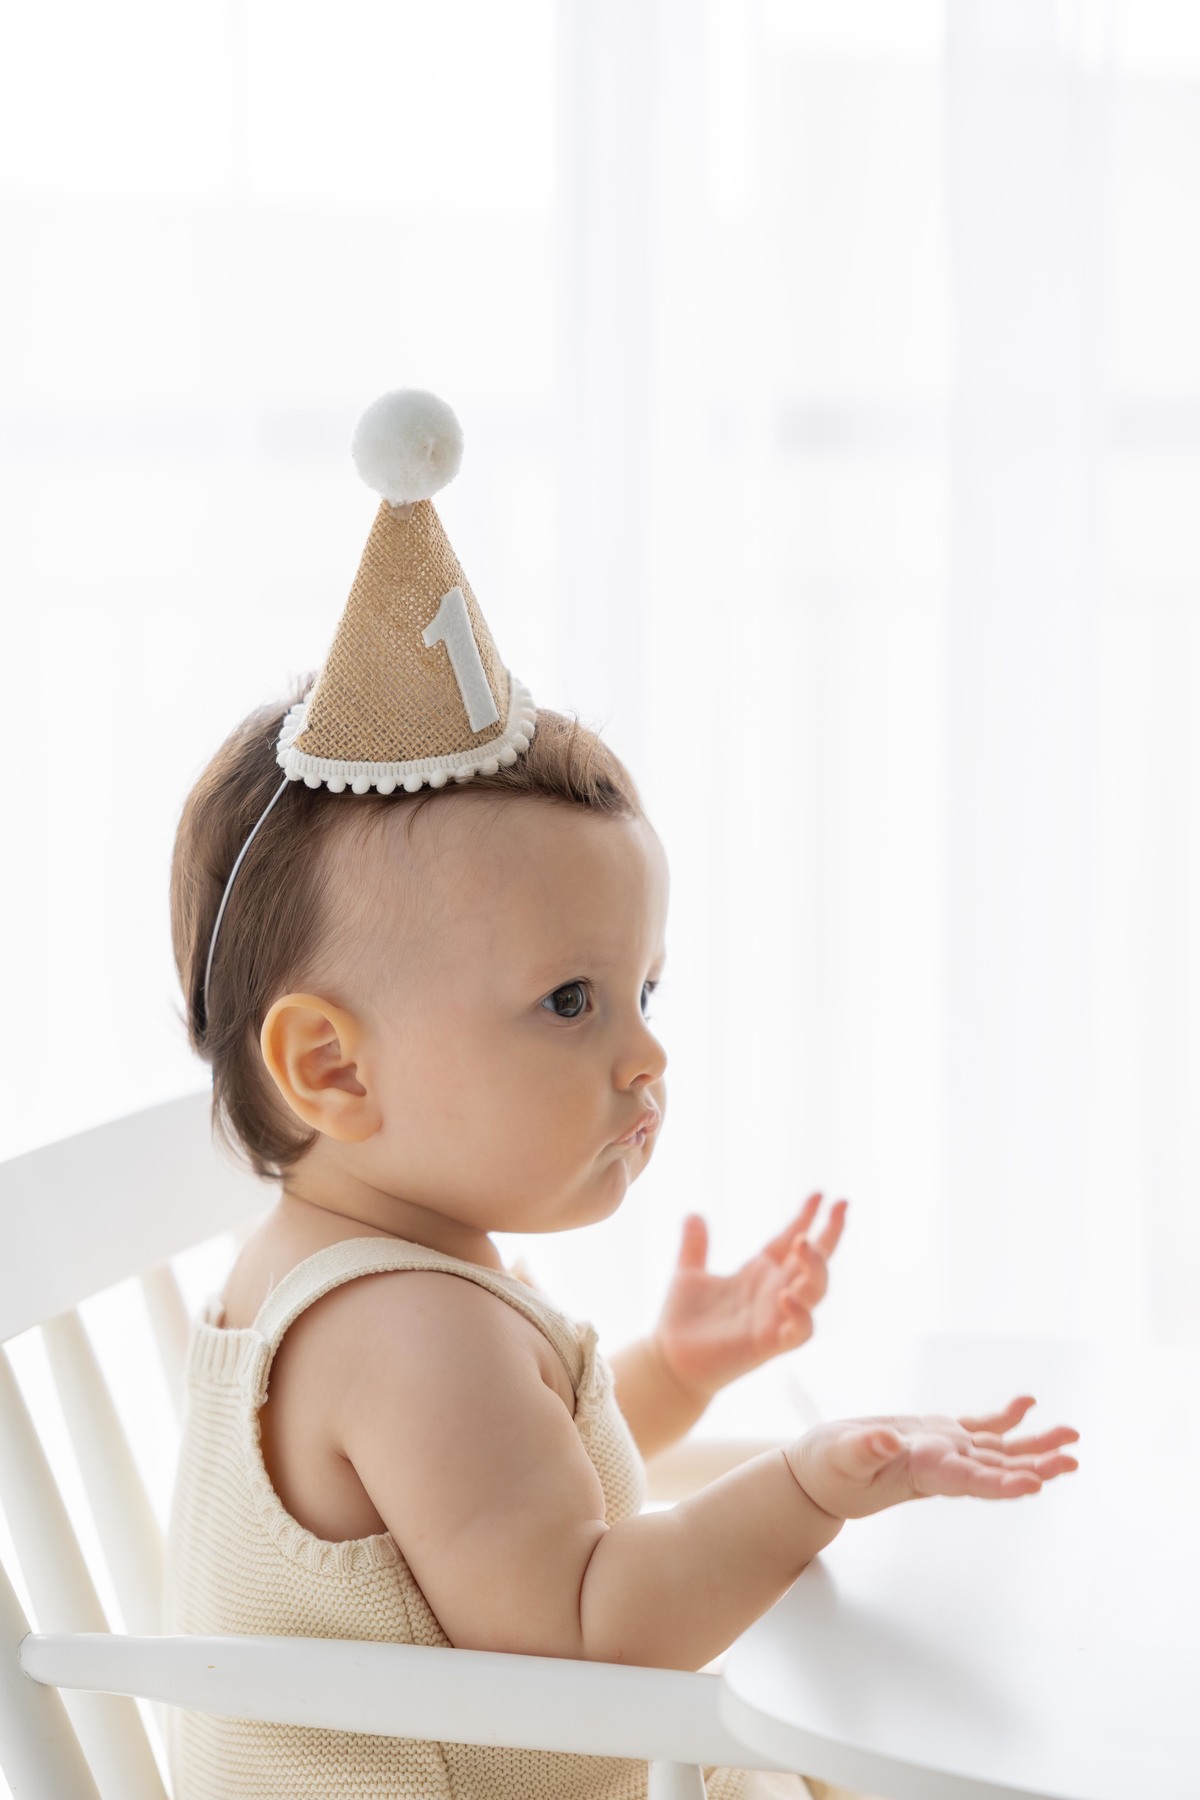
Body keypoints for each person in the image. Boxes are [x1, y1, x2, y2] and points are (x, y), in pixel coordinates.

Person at [163, 390, 1080, 1800]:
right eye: (571, 1002)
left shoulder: (332, 1266)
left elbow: (495, 1513)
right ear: (334, 1068)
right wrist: (805, 1488)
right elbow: (587, 1634)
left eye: (645, 991)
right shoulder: (412, 1331)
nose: (646, 1055)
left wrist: (674, 1374)